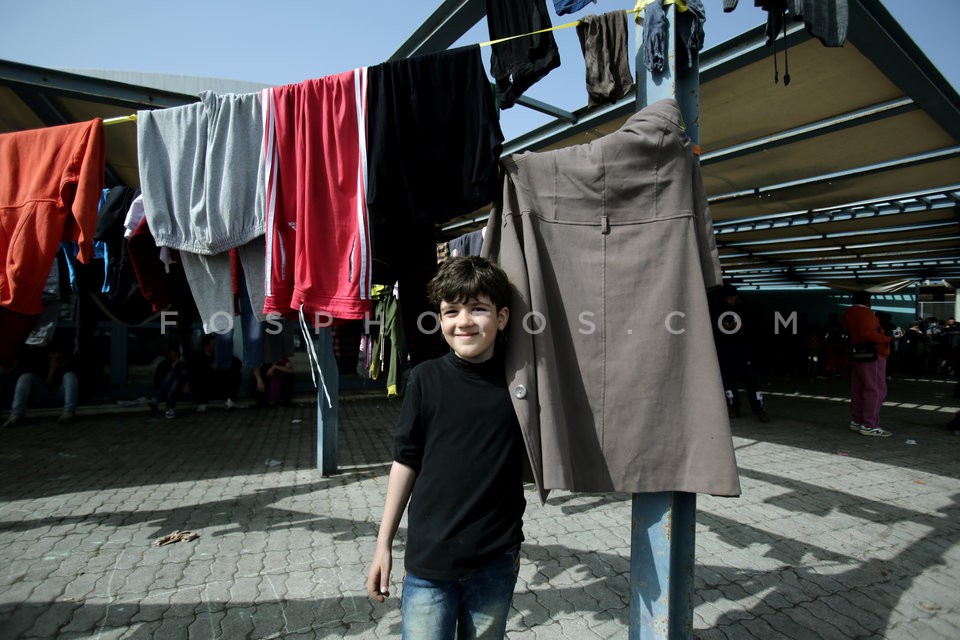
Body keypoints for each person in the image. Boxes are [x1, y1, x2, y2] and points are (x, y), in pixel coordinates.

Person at [366, 256, 526, 640]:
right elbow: (405, 461)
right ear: (440, 320)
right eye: (451, 311)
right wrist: (383, 544)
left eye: (478, 309)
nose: (464, 321)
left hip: (495, 559)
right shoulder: (424, 379)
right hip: (429, 562)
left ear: (502, 317)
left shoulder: (520, 385)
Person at [711, 283, 770, 422]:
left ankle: (759, 408)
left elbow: (755, 326)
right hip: (724, 348)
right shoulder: (717, 310)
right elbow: (715, 329)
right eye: (729, 298)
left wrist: (744, 328)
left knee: (751, 379)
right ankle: (734, 406)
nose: (732, 300)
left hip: (743, 347)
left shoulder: (746, 308)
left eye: (734, 297)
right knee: (727, 379)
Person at [843, 291, 893, 437]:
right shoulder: (865, 313)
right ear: (868, 301)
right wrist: (888, 338)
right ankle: (869, 425)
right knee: (876, 389)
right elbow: (868, 334)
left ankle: (857, 420)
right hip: (872, 355)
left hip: (857, 354)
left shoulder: (849, 313)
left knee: (858, 388)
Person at [3, 346, 79, 427]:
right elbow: (48, 385)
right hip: (43, 396)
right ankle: (16, 414)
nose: (53, 356)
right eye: (52, 354)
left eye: (56, 354)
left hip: (60, 397)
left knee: (70, 375)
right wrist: (52, 368)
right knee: (26, 377)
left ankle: (69, 412)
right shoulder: (44, 364)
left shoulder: (70, 364)